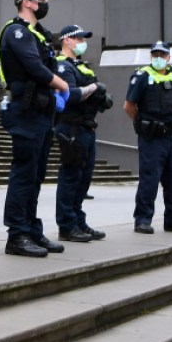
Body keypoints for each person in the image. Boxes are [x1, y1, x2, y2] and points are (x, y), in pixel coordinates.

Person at [0, 0, 70, 257]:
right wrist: (63, 85)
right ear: (26, 3)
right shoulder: (16, 31)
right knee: (24, 174)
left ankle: (31, 228)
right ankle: (16, 235)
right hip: (25, 110)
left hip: (41, 111)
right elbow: (34, 67)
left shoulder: (38, 35)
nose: (43, 3)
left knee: (36, 175)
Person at [123, 41, 172, 234]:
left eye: (162, 55)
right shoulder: (142, 76)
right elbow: (129, 105)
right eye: (155, 55)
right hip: (152, 137)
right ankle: (143, 219)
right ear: (150, 56)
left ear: (169, 57)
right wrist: (143, 124)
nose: (159, 58)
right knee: (150, 179)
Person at [52, 24, 106, 242]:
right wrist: (95, 88)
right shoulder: (62, 65)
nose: (82, 42)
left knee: (84, 177)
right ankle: (66, 225)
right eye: (78, 38)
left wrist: (101, 95)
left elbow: (92, 94)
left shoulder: (81, 66)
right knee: (71, 176)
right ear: (66, 40)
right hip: (71, 126)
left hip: (86, 126)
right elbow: (71, 95)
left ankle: (78, 220)